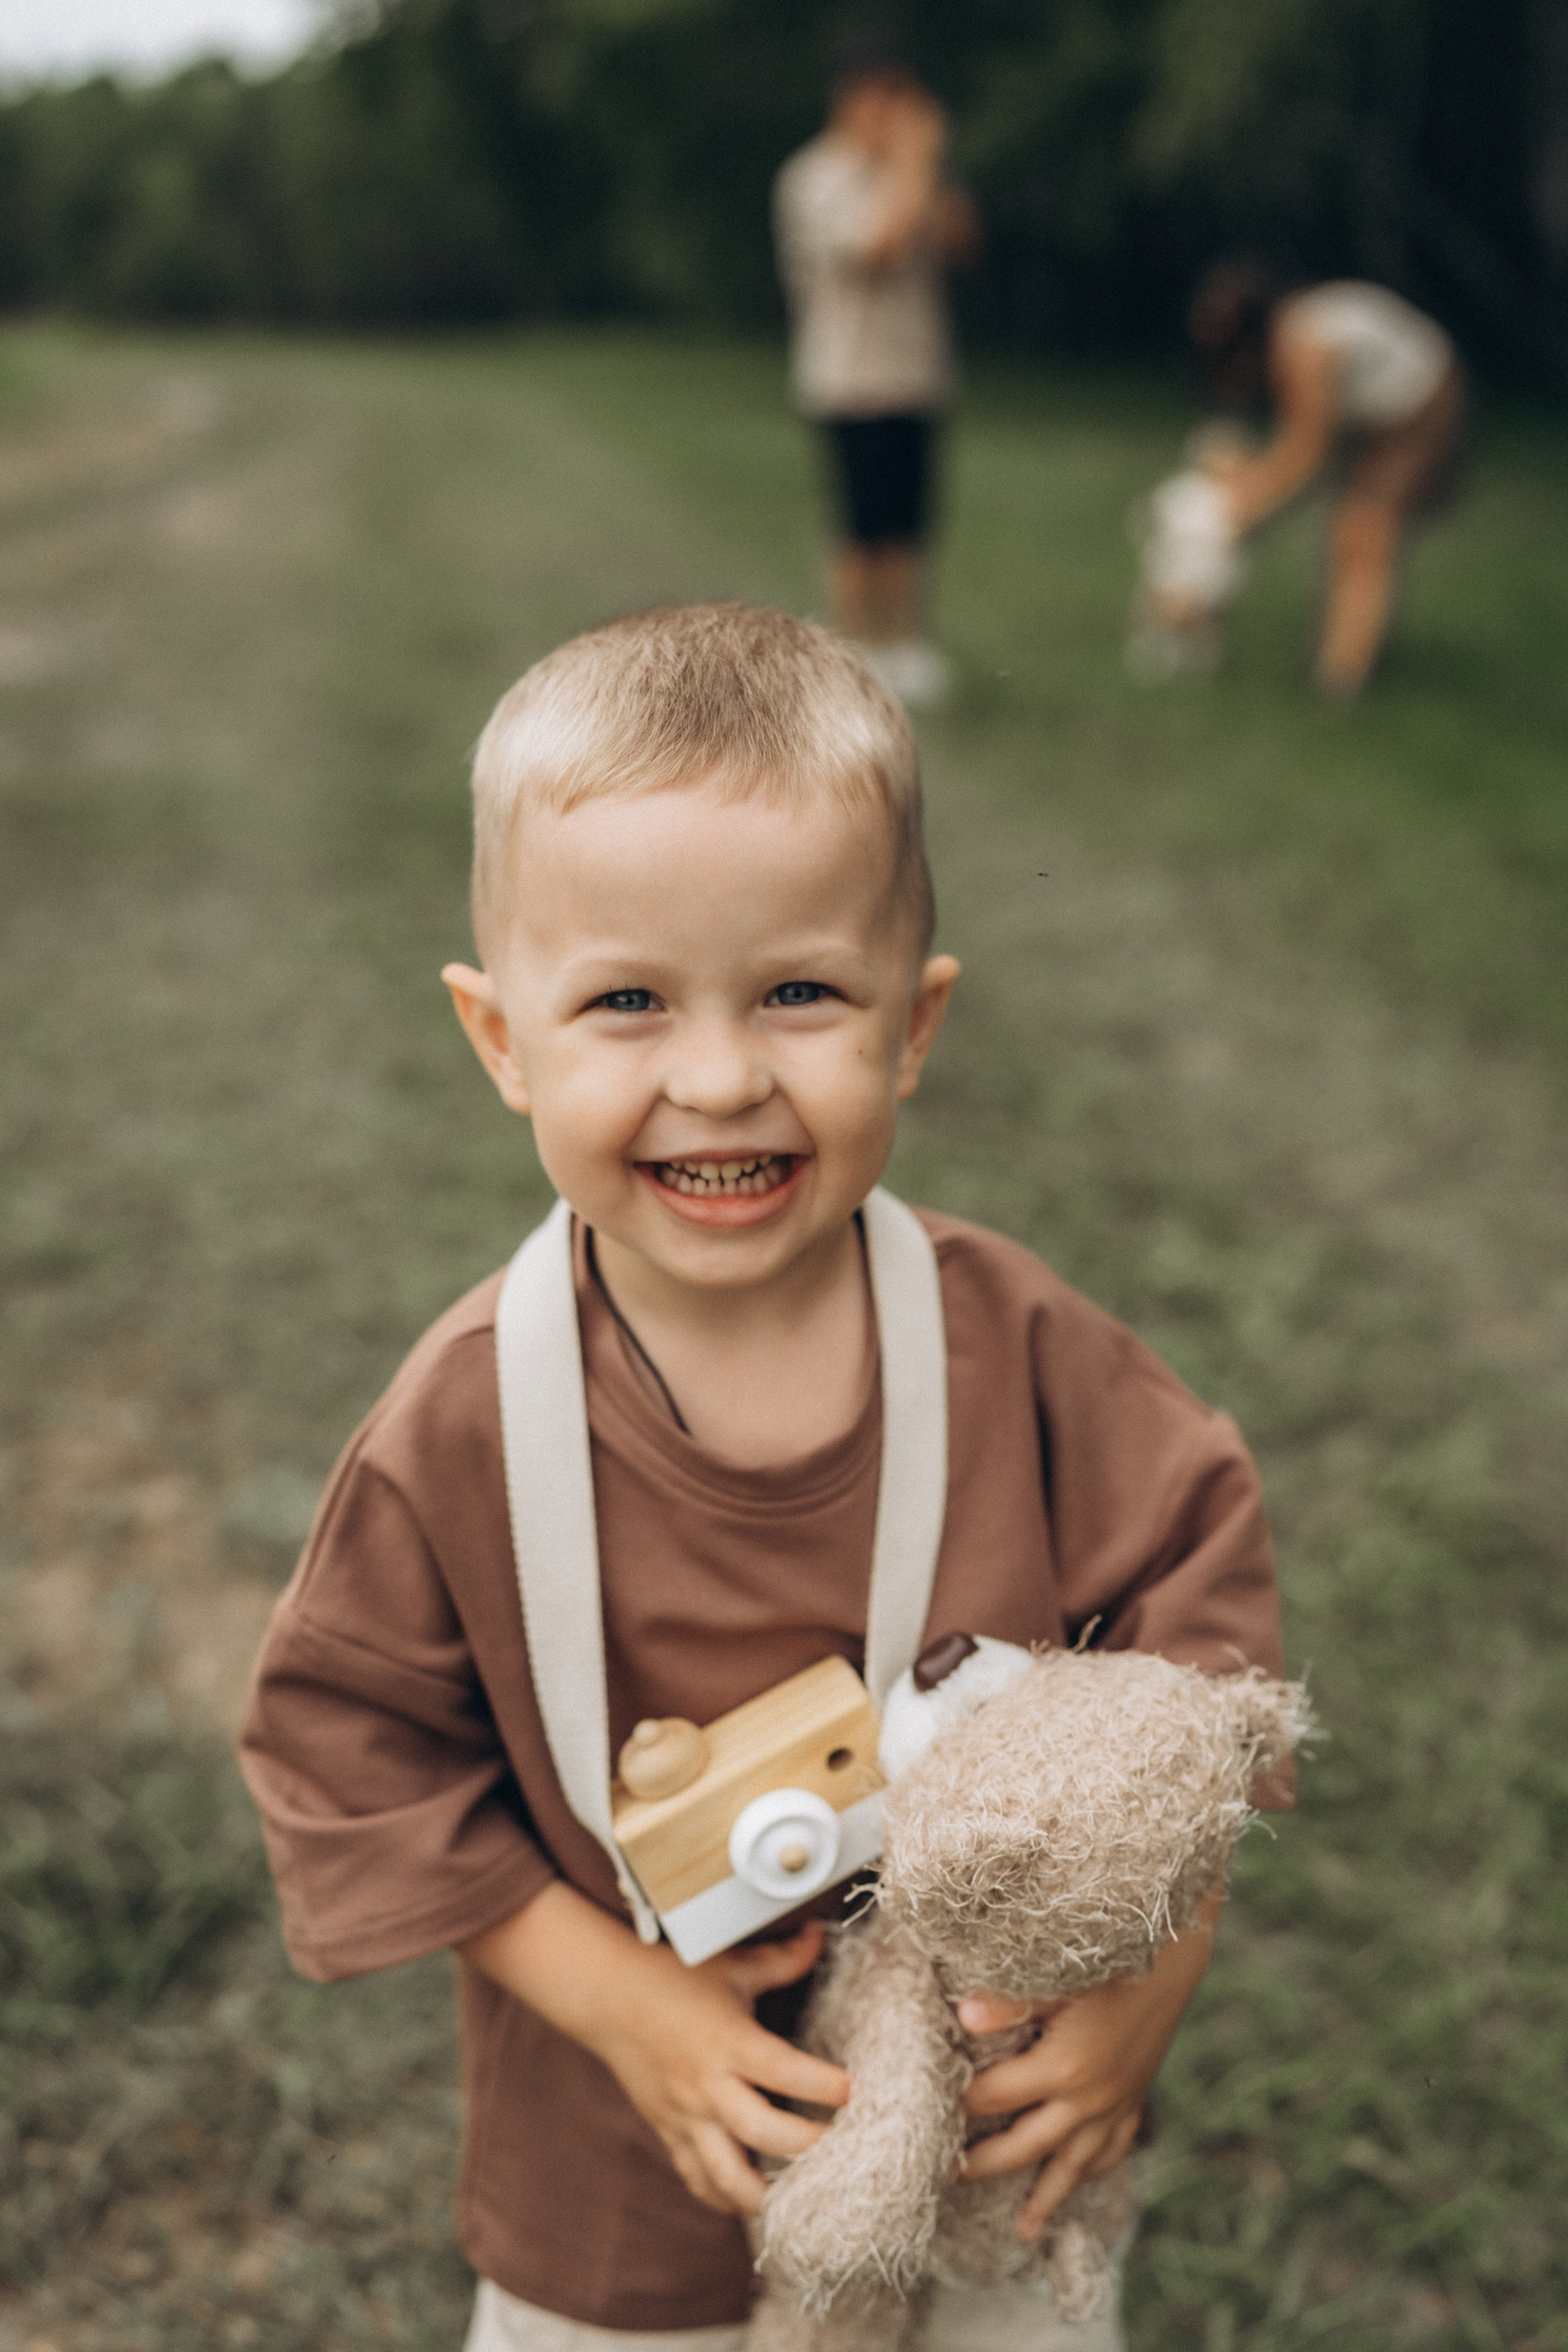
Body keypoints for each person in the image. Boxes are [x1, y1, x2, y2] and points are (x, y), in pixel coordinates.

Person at [239, 602, 1292, 2352]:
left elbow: (1204, 1657)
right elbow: (346, 1758)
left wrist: (1147, 1982)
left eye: (800, 992)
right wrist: (624, 2007)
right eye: (626, 1003)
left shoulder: (1017, 1344)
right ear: (501, 1040)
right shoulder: (463, 1423)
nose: (721, 1078)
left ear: (914, 1023)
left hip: (989, 2132)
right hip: (633, 2165)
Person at [772, 45, 979, 709]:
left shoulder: (911, 172)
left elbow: (962, 244)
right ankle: (854, 653)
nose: (898, 116)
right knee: (861, 529)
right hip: (851, 379)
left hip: (915, 374)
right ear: (853, 99)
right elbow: (878, 252)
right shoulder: (815, 176)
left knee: (910, 525)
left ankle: (905, 645)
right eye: (888, 99)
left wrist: (926, 170)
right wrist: (913, 164)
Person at [1188, 260, 1467, 698]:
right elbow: (1298, 446)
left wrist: (1243, 512)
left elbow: (1307, 453)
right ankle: (1347, 653)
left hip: (1419, 407)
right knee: (1343, 533)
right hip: (1375, 415)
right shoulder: (1296, 329)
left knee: (1363, 531)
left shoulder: (1307, 345)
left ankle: (1342, 680)